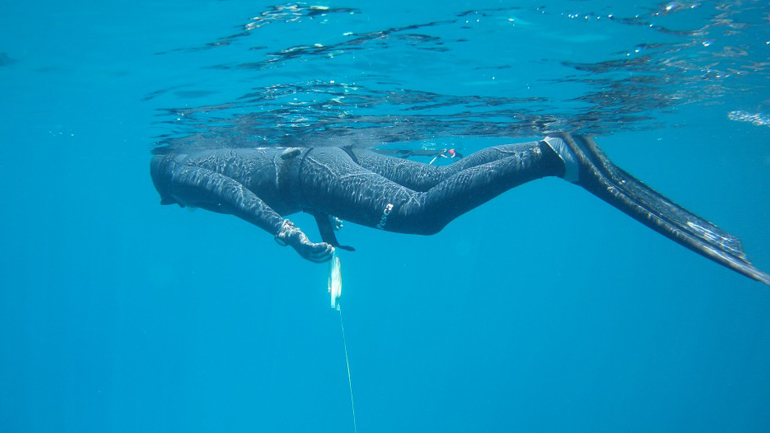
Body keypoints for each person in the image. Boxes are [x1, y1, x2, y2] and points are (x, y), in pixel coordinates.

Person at [150, 133, 770, 285]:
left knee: (421, 215)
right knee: (435, 179)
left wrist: (288, 234)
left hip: (309, 173)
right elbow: (268, 174)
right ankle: (546, 147)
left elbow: (239, 194)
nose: (179, 208)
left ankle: (549, 157)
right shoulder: (190, 162)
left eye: (171, 205)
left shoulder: (178, 174)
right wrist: (319, 220)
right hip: (321, 159)